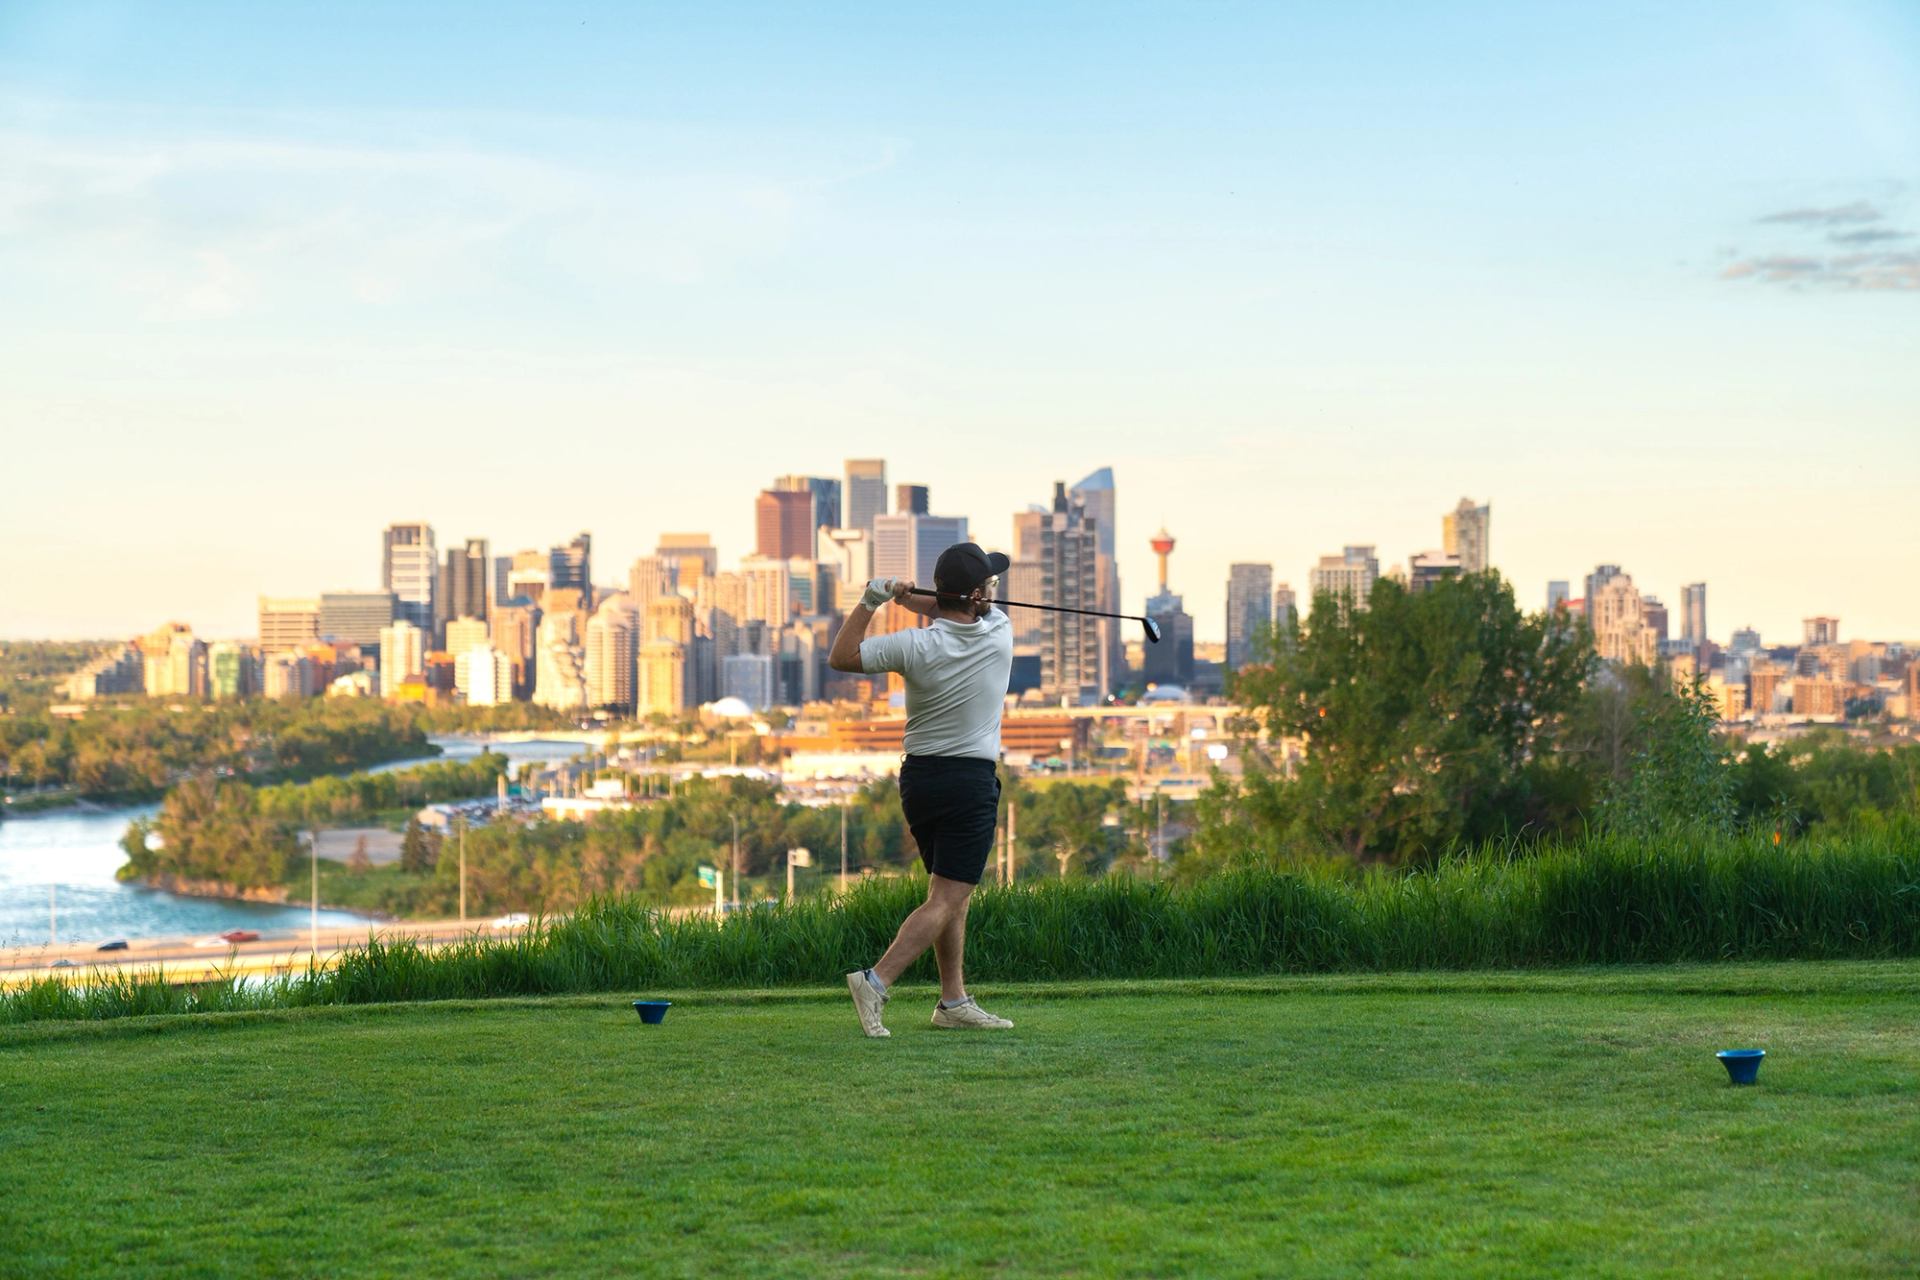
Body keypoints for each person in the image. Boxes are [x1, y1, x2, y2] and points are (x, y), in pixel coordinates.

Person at [827, 541, 1016, 1037]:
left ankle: (953, 1001)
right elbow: (959, 610)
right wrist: (913, 598)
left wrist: (877, 599)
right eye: (990, 586)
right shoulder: (998, 632)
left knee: (949, 892)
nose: (996, 592)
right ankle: (876, 981)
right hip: (969, 782)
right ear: (977, 597)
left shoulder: (914, 645)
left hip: (921, 780)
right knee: (949, 898)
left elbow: (841, 656)